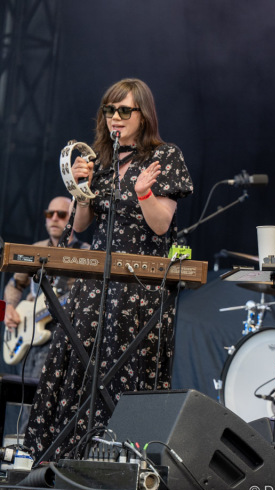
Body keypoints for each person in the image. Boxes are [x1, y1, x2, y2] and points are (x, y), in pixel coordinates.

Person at [24, 78, 193, 461]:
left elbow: (161, 225)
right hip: (96, 280)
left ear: (143, 115)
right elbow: (81, 224)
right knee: (77, 362)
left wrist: (145, 193)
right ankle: (63, 455)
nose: (115, 118)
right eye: (109, 110)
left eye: (124, 111)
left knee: (123, 367)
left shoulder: (164, 157)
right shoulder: (101, 160)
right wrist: (82, 188)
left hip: (140, 285)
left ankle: (118, 459)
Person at [3, 196, 89, 380]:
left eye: (61, 214)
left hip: (63, 335)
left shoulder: (86, 252)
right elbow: (15, 284)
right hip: (30, 337)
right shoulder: (37, 248)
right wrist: (8, 308)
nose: (54, 218)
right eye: (50, 214)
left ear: (73, 217)